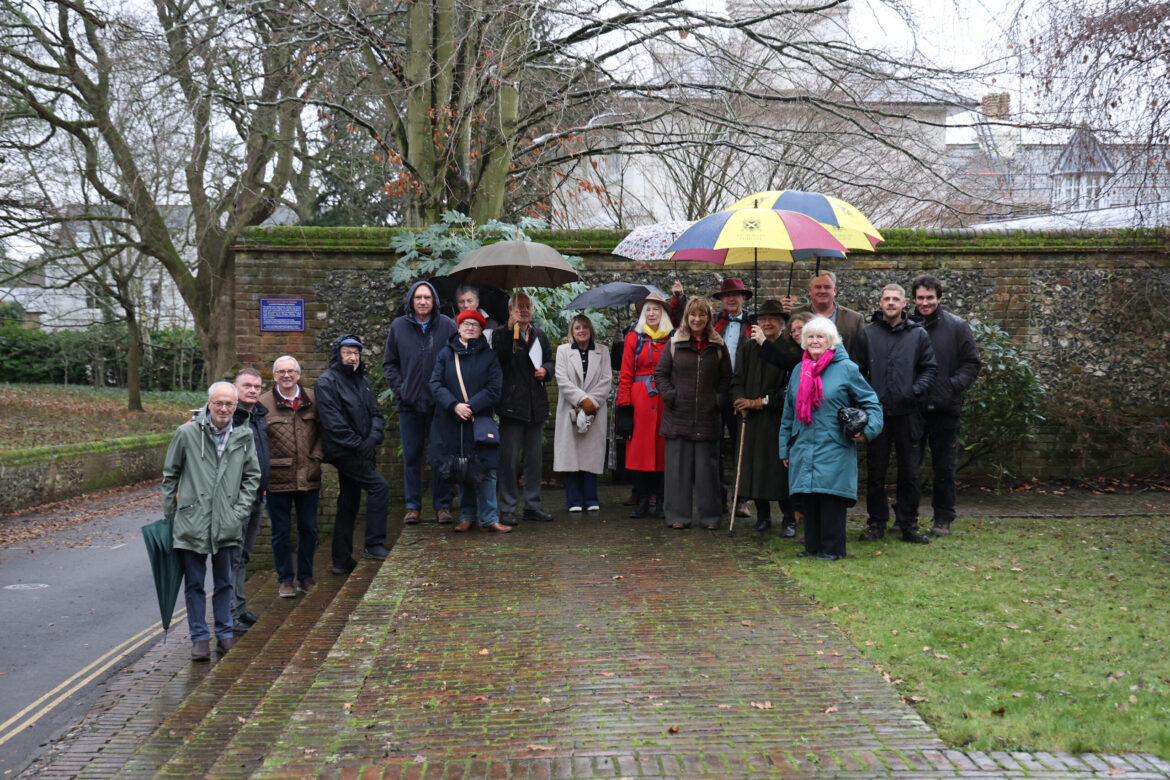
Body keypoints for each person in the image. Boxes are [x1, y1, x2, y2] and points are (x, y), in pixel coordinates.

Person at [162, 381, 261, 661]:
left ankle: (225, 634)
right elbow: (170, 476)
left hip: (227, 522)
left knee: (225, 582)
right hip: (191, 522)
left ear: (235, 406)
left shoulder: (244, 435)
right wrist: (171, 517)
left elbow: (252, 476)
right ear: (208, 404)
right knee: (194, 583)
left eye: (229, 404)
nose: (224, 409)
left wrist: (238, 511)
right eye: (218, 403)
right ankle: (199, 639)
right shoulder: (186, 433)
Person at [779, 317, 883, 560]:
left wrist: (867, 431)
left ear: (831, 341)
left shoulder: (847, 369)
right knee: (810, 497)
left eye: (820, 336)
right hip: (803, 445)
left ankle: (832, 549)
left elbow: (872, 403)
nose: (815, 341)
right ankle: (812, 546)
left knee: (830, 498)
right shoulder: (798, 371)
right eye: (811, 336)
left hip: (834, 445)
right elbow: (788, 415)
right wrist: (785, 449)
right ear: (804, 341)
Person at [853, 284, 938, 544]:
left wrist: (914, 391)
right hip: (877, 414)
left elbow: (929, 369)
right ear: (880, 303)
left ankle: (908, 523)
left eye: (895, 299)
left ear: (904, 304)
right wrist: (866, 399)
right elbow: (856, 372)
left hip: (909, 413)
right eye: (886, 299)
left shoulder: (918, 334)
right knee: (876, 472)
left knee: (909, 473)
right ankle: (876, 522)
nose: (891, 303)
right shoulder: (867, 335)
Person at [908, 274, 982, 537]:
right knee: (909, 466)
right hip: (913, 408)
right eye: (920, 298)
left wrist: (951, 386)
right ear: (913, 299)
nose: (925, 303)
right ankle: (907, 518)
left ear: (939, 297)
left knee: (944, 467)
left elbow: (972, 363)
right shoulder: (906, 325)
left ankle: (943, 518)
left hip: (945, 408)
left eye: (930, 298)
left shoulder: (957, 326)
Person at [382, 280, 458, 525]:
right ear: (411, 302)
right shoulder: (398, 327)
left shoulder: (447, 326)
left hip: (439, 405)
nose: (423, 301)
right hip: (409, 404)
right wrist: (400, 388)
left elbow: (458, 360)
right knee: (412, 457)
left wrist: (449, 393)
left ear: (434, 300)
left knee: (441, 456)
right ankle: (412, 506)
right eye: (418, 298)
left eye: (427, 297)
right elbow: (390, 363)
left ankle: (442, 505)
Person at [428, 310, 510, 533]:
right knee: (461, 468)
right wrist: (454, 405)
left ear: (482, 329)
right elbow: (435, 383)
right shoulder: (446, 354)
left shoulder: (490, 356)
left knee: (487, 469)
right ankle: (467, 515)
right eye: (466, 324)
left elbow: (494, 389)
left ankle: (490, 517)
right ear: (459, 328)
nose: (470, 327)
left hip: (480, 421)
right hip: (453, 422)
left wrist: (471, 406)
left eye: (475, 324)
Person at [654, 296, 732, 530]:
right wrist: (671, 396)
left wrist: (718, 399)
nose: (697, 319)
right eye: (693, 315)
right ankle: (678, 516)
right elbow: (660, 374)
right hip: (678, 416)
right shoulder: (675, 344)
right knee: (678, 472)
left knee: (708, 473)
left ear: (708, 318)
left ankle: (711, 517)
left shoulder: (718, 346)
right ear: (687, 317)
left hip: (708, 418)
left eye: (702, 315)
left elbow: (727, 378)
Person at [316, 334, 390, 573]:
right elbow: (334, 425)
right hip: (344, 452)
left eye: (356, 353)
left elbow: (377, 416)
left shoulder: (363, 382)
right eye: (348, 352)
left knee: (349, 500)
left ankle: (341, 560)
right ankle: (374, 544)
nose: (353, 357)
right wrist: (361, 445)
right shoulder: (326, 382)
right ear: (338, 354)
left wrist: (372, 440)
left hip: (362, 449)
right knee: (379, 487)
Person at [260, 355, 323, 598]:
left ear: (298, 374)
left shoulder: (313, 398)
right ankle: (285, 579)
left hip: (309, 475)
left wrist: (316, 457)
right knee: (280, 532)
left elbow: (324, 431)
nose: (287, 375)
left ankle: (305, 577)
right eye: (281, 372)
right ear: (274, 376)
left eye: (291, 371)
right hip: (277, 478)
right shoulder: (263, 403)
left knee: (309, 529)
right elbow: (258, 441)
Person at [491, 292, 555, 525]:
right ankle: (507, 508)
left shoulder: (539, 335)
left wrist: (546, 371)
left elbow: (549, 360)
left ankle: (532, 505)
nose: (525, 310)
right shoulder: (501, 334)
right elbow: (498, 358)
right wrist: (510, 331)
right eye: (520, 307)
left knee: (534, 460)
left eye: (528, 307)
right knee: (507, 461)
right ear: (510, 310)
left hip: (534, 407)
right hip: (511, 407)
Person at [731, 300, 795, 534]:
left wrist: (761, 402)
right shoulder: (748, 348)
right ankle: (763, 516)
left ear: (781, 323)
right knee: (755, 468)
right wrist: (739, 401)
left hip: (777, 419)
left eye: (772, 319)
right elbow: (737, 378)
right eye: (763, 318)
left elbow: (790, 385)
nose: (767, 323)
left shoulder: (789, 348)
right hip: (752, 420)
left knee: (779, 471)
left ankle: (789, 518)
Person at [615, 291, 672, 518]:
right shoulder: (633, 338)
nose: (651, 313)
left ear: (663, 313)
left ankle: (661, 500)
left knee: (663, 452)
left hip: (664, 400)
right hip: (639, 402)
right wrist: (625, 408)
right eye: (648, 309)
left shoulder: (673, 338)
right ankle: (641, 499)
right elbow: (625, 375)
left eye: (656, 309)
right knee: (639, 453)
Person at [553, 314, 612, 512]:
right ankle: (574, 500)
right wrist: (581, 400)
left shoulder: (603, 351)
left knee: (591, 454)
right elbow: (561, 379)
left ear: (591, 330)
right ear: (572, 331)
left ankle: (591, 498)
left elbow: (606, 381)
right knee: (571, 456)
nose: (581, 331)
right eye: (577, 327)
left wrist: (590, 403)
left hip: (594, 410)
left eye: (585, 327)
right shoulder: (562, 351)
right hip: (570, 408)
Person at [712, 277, 756, 517]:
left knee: (742, 445)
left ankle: (741, 499)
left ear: (743, 298)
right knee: (714, 445)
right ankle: (718, 498)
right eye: (726, 295)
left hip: (743, 392)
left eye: (736, 295)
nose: (731, 298)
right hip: (717, 390)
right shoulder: (714, 324)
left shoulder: (753, 324)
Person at [230, 368, 269, 628]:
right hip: (237, 498)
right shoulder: (230, 418)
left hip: (257, 495)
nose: (253, 390)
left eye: (257, 386)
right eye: (247, 385)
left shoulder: (258, 416)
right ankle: (230, 615)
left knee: (244, 555)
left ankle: (240, 607)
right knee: (232, 556)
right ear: (236, 387)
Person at [781, 270, 865, 355]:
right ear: (810, 290)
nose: (822, 291)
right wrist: (782, 315)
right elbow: (784, 346)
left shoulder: (854, 319)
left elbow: (860, 354)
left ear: (835, 290)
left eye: (827, 287)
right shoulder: (793, 314)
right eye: (818, 287)